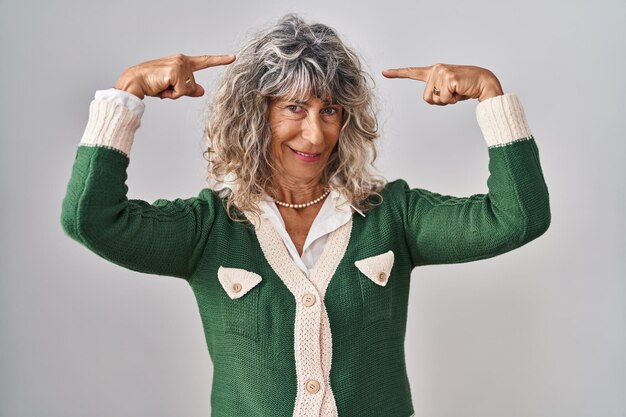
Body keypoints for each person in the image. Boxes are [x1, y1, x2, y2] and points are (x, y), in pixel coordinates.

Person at [61, 13, 550, 417]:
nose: (315, 134)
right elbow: (91, 219)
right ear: (255, 114)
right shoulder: (209, 227)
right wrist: (126, 95)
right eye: (295, 107)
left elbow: (517, 218)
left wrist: (491, 95)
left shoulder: (392, 216)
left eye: (331, 110)